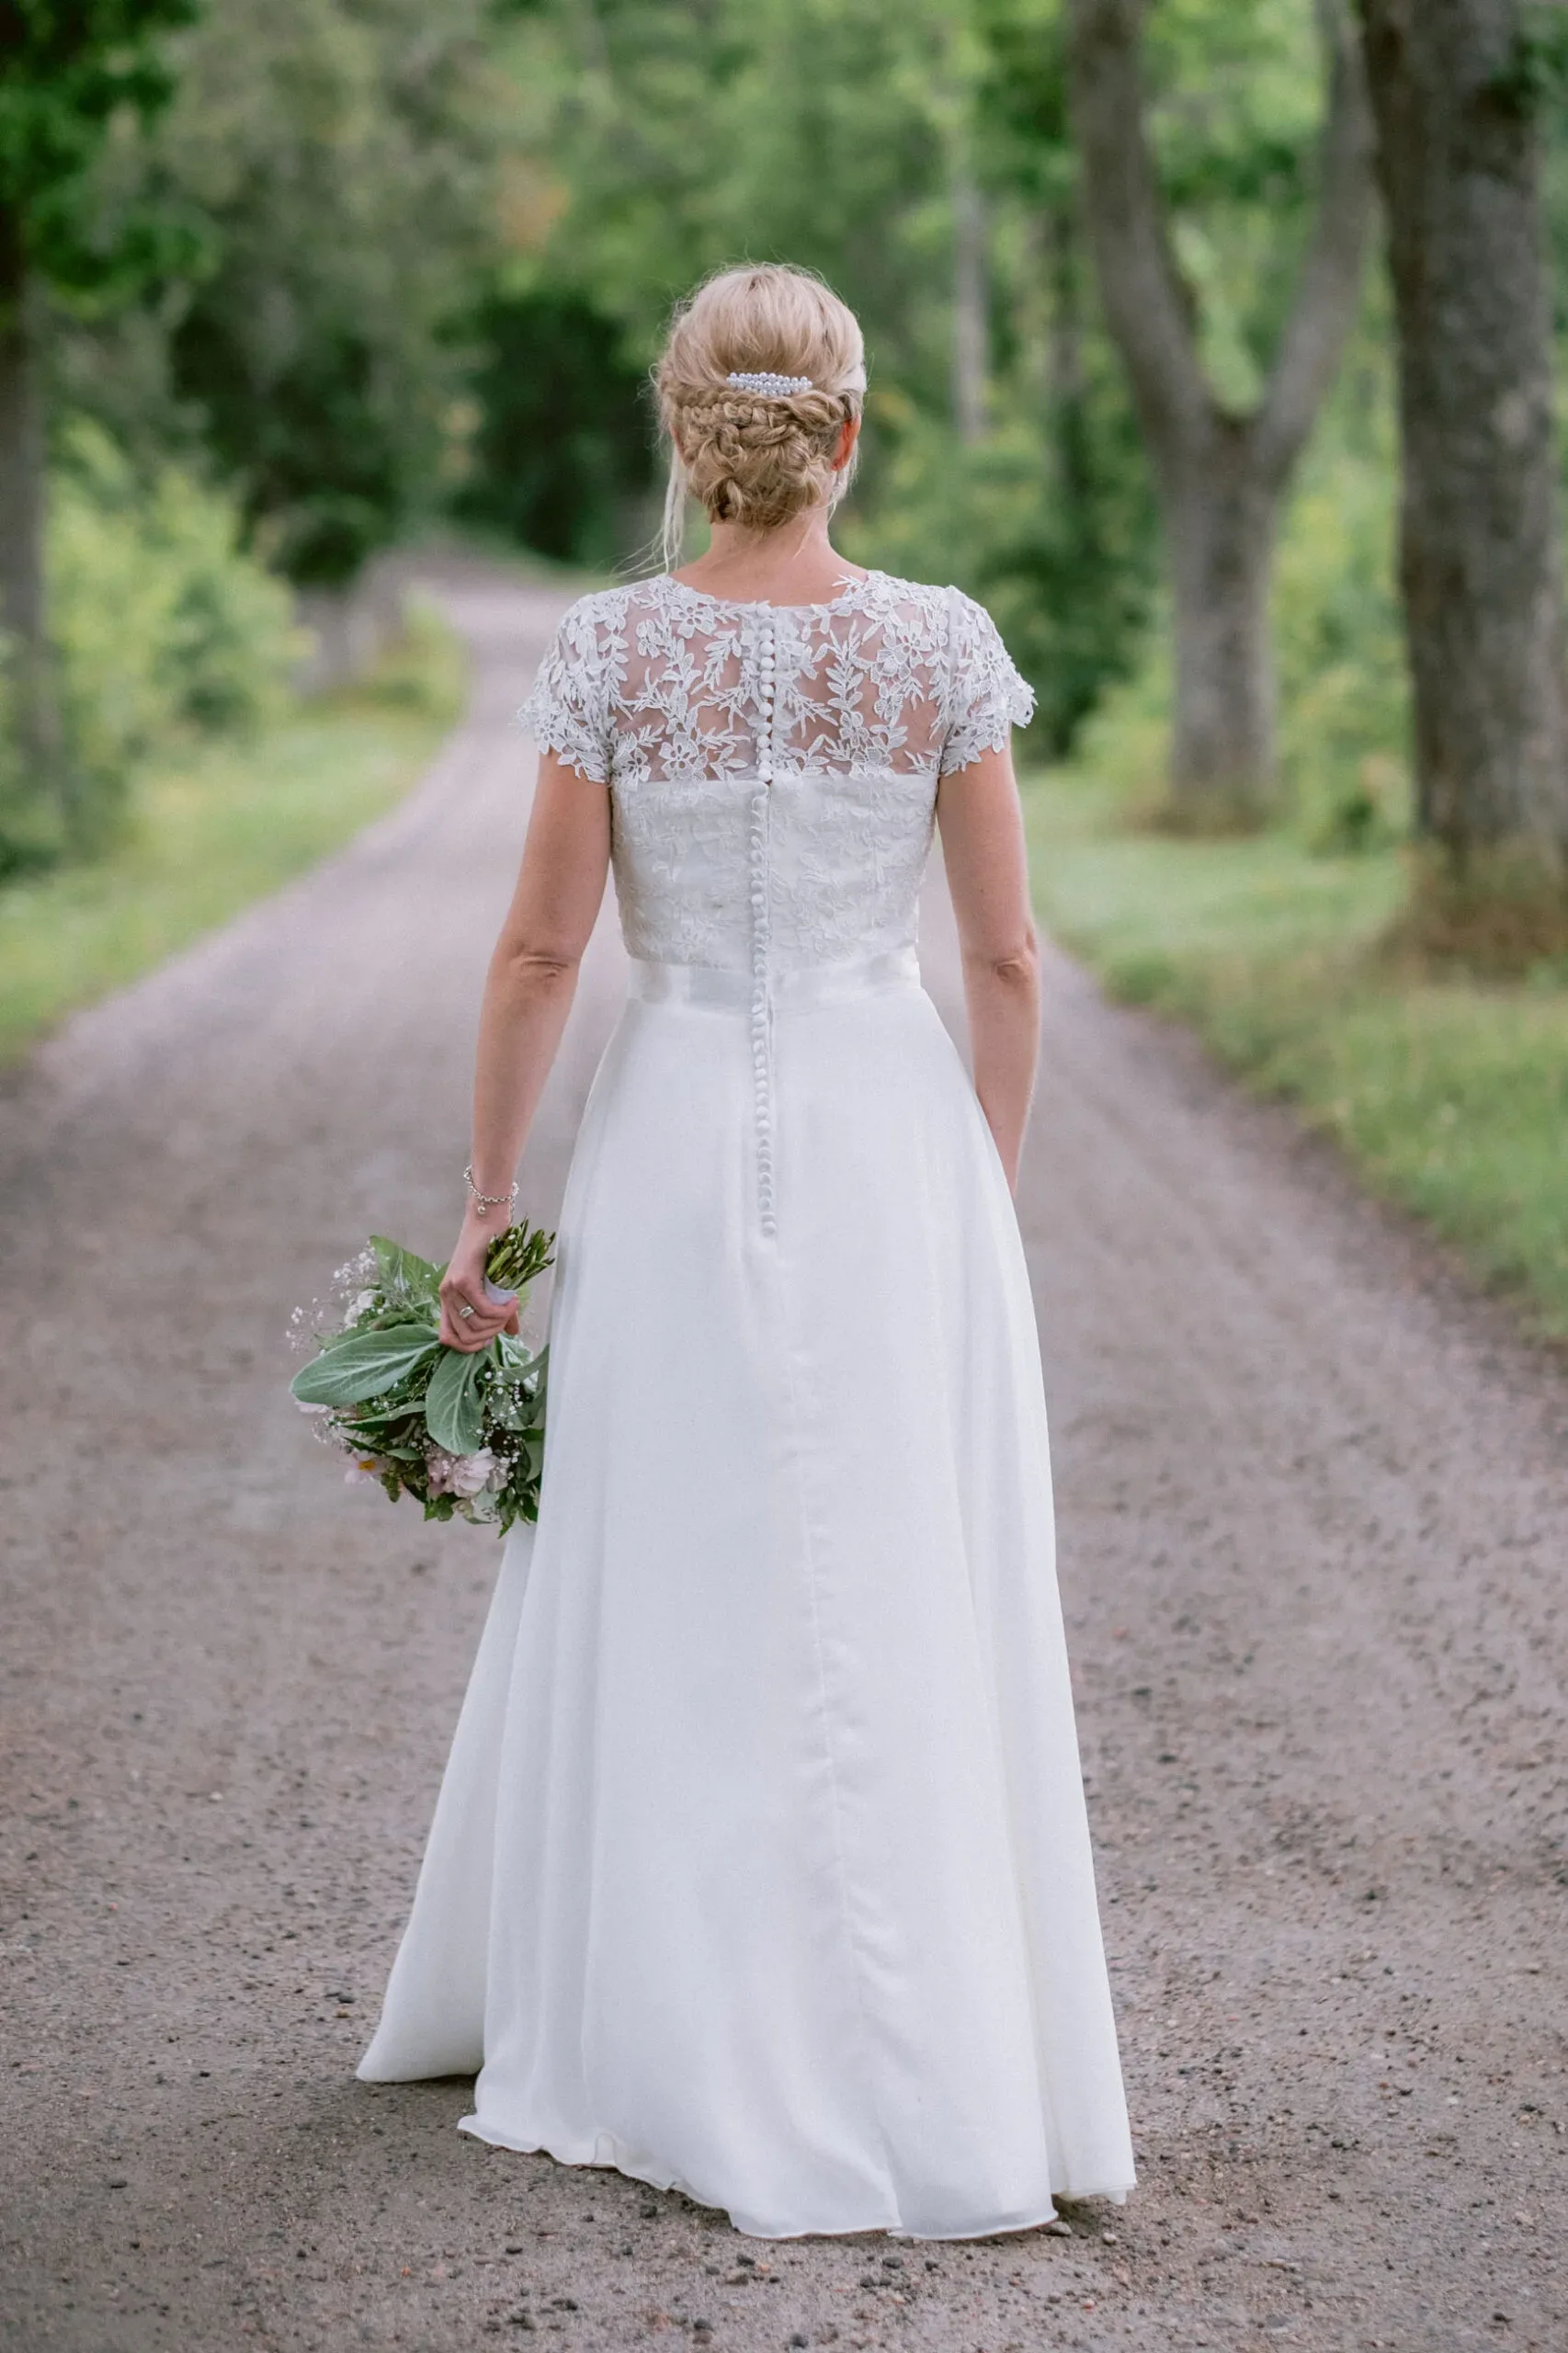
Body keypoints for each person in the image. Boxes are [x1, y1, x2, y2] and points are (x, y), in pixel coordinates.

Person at [357, 262, 1134, 2239]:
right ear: (846, 432)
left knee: (680, 1554)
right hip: (892, 1143)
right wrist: (984, 1189)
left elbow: (540, 950)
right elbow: (1007, 957)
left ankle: (671, 2008)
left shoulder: (614, 653)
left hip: (678, 1136)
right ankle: (935, 2028)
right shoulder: (939, 644)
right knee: (889, 1566)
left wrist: (484, 1201)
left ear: (681, 435)